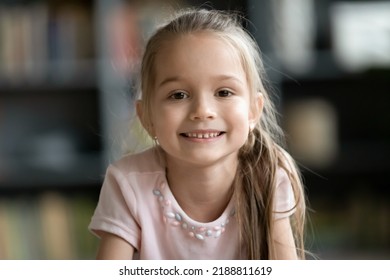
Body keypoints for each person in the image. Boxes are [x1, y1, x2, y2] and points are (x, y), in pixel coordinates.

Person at [89, 8, 307, 260]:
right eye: (178, 95)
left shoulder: (269, 176)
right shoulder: (127, 183)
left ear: (253, 111)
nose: (202, 111)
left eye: (224, 92)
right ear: (146, 116)